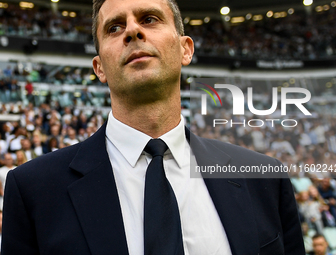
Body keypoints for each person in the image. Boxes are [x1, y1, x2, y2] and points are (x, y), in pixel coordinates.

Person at [1, 0, 305, 254]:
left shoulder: (264, 179)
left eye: (149, 19)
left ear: (186, 49)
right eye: (115, 27)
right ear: (99, 68)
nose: (133, 30)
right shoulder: (34, 191)